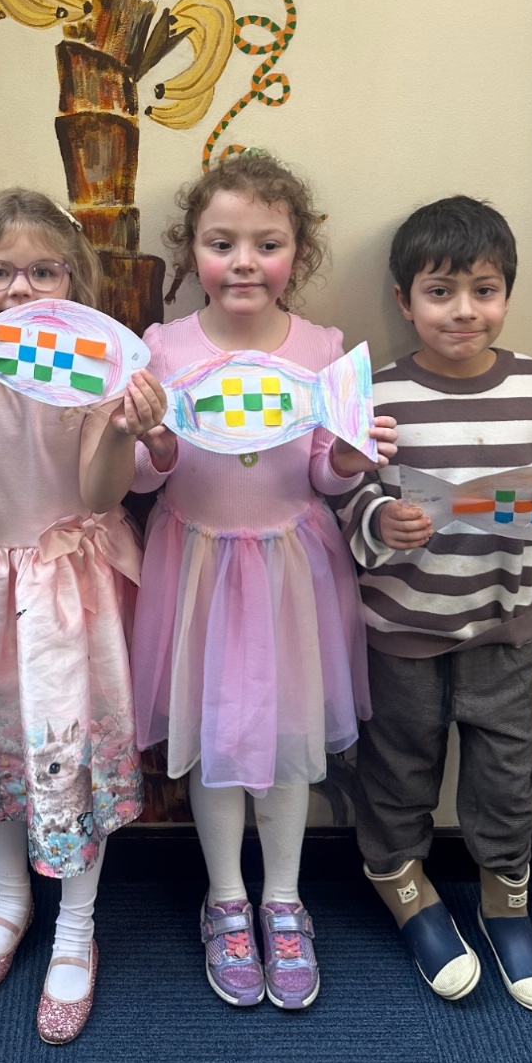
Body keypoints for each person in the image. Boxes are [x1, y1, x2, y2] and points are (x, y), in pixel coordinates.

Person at [336, 195, 532, 1011]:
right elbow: (344, 493)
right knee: (397, 769)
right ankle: (404, 886)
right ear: (405, 301)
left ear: (507, 293)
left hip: (503, 627)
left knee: (508, 778)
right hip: (398, 629)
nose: (464, 310)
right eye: (440, 292)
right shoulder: (378, 394)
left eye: (484, 289)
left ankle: (506, 904)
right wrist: (380, 521)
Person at [130, 151, 396, 1011]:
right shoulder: (163, 347)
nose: (243, 262)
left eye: (267, 244)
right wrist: (156, 443)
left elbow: (322, 472)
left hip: (290, 572)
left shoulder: (324, 349)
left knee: (284, 740)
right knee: (214, 738)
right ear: (193, 251)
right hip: (198, 569)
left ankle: (283, 899)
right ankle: (225, 899)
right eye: (222, 243)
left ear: (297, 254)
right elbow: (142, 476)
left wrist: (348, 455)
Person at [0, 189, 165, 1045]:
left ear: (73, 284)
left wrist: (119, 426)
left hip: (69, 587)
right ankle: (10, 899)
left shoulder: (90, 368)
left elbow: (100, 494)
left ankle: (76, 925)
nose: (19, 288)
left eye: (44, 271)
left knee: (68, 754)